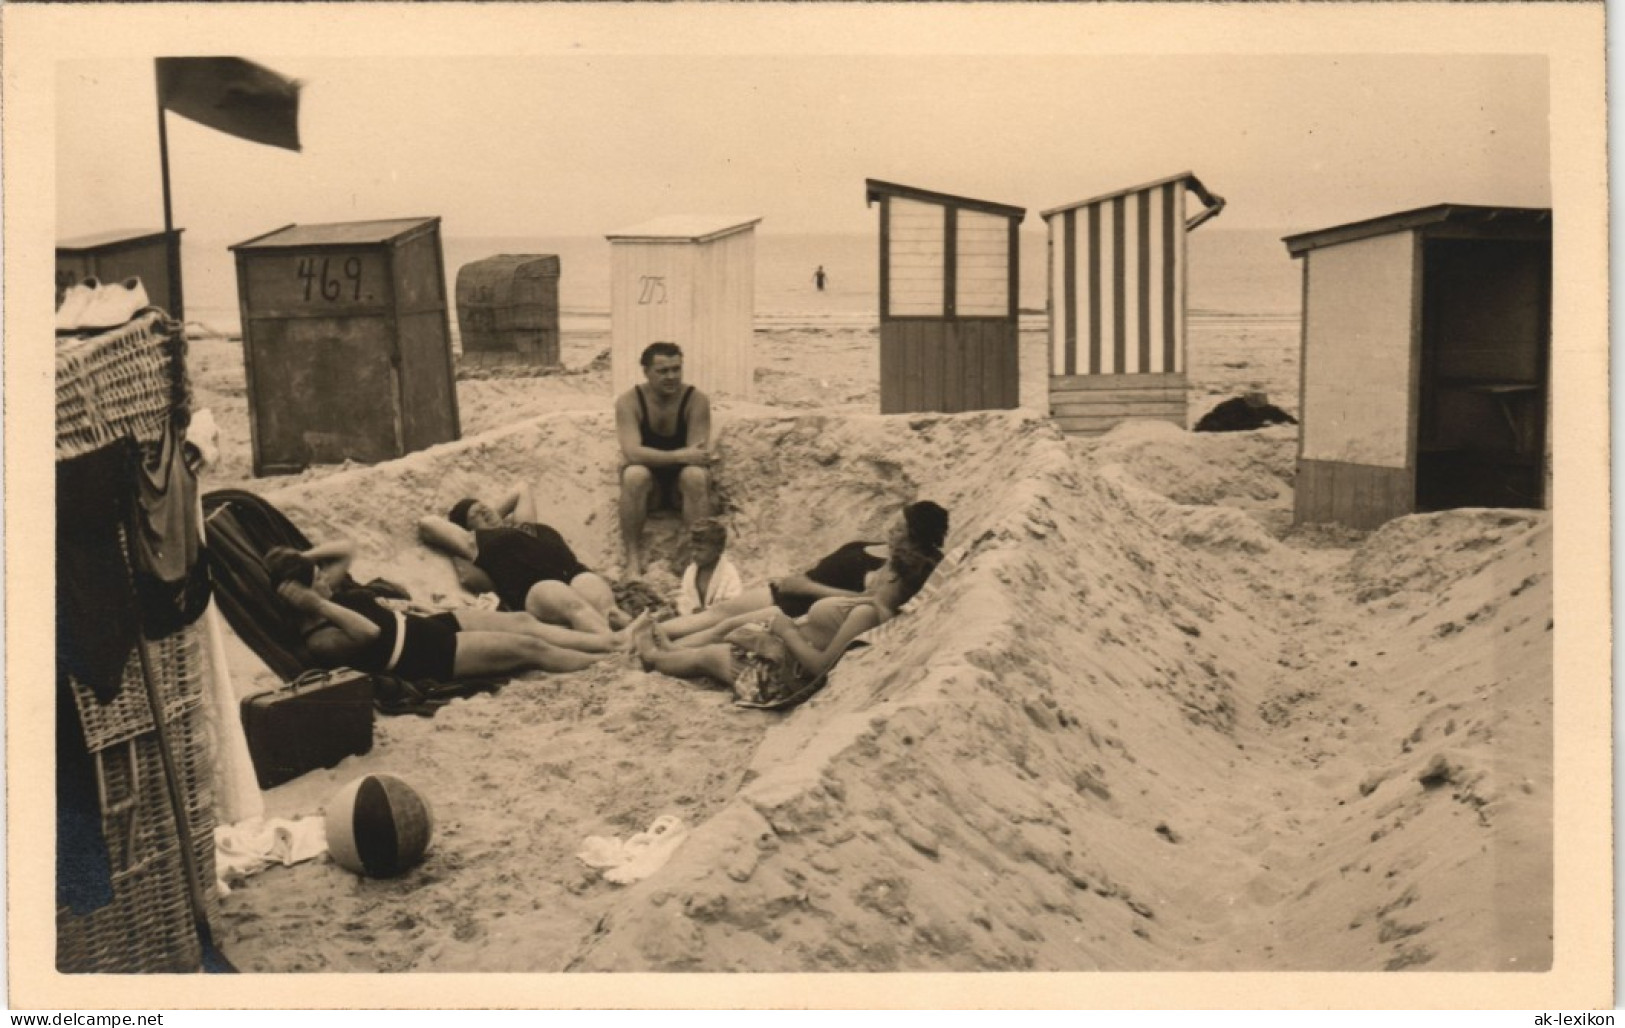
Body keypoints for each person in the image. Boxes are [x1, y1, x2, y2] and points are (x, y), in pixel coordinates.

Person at [629, 543, 938, 705]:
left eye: (883, 568)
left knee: (709, 657)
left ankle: (655, 657)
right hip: (784, 658)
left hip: (781, 676)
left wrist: (786, 630)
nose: (877, 572)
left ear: (893, 576)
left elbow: (820, 668)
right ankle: (670, 649)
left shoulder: (866, 614)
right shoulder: (870, 606)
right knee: (727, 634)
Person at [267, 543, 615, 683]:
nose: (327, 580)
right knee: (530, 649)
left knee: (523, 622)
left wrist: (301, 561)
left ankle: (610, 641)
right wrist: (317, 604)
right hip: (429, 656)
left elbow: (346, 550)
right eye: (318, 581)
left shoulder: (327, 596)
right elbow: (369, 633)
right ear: (307, 599)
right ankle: (609, 663)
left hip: (427, 626)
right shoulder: (321, 639)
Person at [655, 499, 949, 642]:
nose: (890, 531)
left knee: (719, 626)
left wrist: (806, 587)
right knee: (716, 617)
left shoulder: (894, 570)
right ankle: (642, 637)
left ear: (914, 537)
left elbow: (865, 603)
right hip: (790, 590)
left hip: (800, 605)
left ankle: (654, 643)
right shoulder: (882, 553)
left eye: (898, 529)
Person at [416, 483, 628, 634]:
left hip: (573, 572)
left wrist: (492, 516)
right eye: (475, 515)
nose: (483, 511)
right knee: (576, 609)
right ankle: (616, 646)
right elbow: (428, 524)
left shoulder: (524, 525)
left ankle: (637, 636)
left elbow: (522, 489)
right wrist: (480, 529)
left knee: (609, 610)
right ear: (468, 529)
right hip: (535, 586)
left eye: (483, 507)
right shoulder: (476, 543)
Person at [614, 341, 715, 577]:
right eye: (662, 371)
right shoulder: (629, 401)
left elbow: (696, 458)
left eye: (676, 369)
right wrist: (679, 455)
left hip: (680, 490)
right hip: (651, 490)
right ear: (646, 371)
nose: (671, 376)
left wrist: (668, 457)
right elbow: (632, 453)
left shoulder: (695, 400)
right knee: (634, 474)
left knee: (695, 475)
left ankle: (695, 560)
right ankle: (632, 558)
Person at [675, 517, 744, 617]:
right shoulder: (691, 572)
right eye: (692, 549)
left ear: (718, 549)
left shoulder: (729, 574)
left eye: (700, 550)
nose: (694, 554)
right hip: (692, 623)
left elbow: (733, 606)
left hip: (719, 624)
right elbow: (684, 599)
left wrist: (708, 613)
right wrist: (690, 610)